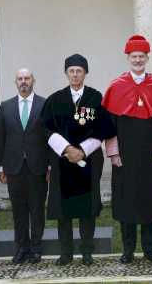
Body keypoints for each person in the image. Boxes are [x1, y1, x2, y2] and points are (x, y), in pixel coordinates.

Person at [103, 34, 152, 264]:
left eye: (141, 56)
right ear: (128, 58)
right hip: (124, 156)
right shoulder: (116, 86)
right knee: (126, 202)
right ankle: (127, 250)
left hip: (150, 156)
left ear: (147, 58)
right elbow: (109, 125)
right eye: (134, 56)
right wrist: (113, 153)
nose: (137, 60)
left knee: (149, 201)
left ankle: (149, 250)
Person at [42, 54, 116, 266]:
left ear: (85, 73)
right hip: (62, 160)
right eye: (71, 71)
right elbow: (46, 128)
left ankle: (86, 252)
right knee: (63, 210)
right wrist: (67, 148)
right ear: (66, 73)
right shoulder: (55, 99)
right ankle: (66, 253)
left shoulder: (95, 98)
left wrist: (82, 150)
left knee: (86, 209)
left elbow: (105, 127)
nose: (75, 74)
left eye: (79, 71)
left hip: (88, 162)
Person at [0, 68, 48, 264]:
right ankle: (21, 248)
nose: (23, 81)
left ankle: (35, 248)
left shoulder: (44, 104)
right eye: (20, 78)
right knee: (18, 210)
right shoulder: (6, 106)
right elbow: (1, 139)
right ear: (15, 82)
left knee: (36, 209)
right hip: (13, 167)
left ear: (33, 80)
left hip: (38, 166)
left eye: (27, 78)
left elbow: (49, 137)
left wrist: (50, 167)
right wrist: (1, 167)